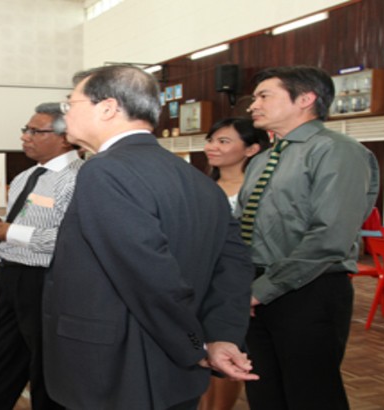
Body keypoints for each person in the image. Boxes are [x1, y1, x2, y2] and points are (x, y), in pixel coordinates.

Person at [41, 64, 258, 410]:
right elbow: (233, 266)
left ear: (108, 108)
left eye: (71, 104)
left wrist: (195, 344)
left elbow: (148, 276)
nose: (65, 115)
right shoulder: (199, 181)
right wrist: (220, 336)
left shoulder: (105, 171)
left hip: (120, 371)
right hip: (173, 373)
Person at [238, 66, 379, 410]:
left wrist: (263, 290)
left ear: (305, 99)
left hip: (309, 288)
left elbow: (330, 235)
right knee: (264, 389)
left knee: (311, 393)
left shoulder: (337, 150)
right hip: (256, 289)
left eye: (264, 96)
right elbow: (245, 223)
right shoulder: (263, 159)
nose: (252, 106)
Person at [0, 103, 83, 410]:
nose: (25, 137)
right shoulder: (24, 177)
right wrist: (0, 227)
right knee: (7, 352)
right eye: (26, 129)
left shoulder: (79, 179)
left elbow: (71, 241)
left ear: (65, 138)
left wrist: (10, 233)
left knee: (46, 362)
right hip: (10, 274)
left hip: (44, 280)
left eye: (36, 131)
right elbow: (21, 223)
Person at [199, 117, 270, 410]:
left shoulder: (261, 190)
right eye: (211, 140)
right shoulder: (202, 186)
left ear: (252, 149)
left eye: (223, 141)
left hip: (243, 282)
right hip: (204, 280)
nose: (212, 147)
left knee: (231, 348)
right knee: (202, 351)